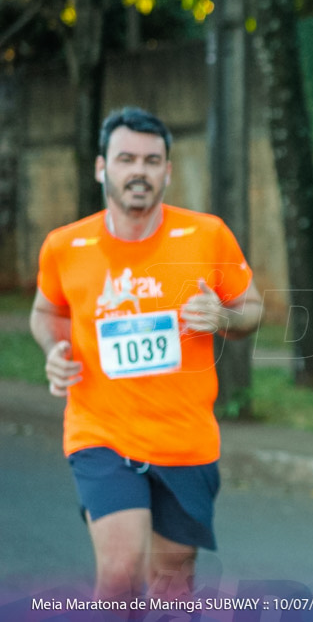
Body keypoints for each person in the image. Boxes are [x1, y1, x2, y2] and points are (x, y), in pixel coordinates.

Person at [30, 107, 263, 602]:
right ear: (102, 168)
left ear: (168, 171)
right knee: (119, 572)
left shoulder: (206, 236)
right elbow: (45, 312)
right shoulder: (65, 246)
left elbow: (252, 308)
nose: (139, 171)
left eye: (152, 160)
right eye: (126, 159)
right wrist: (55, 348)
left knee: (173, 583)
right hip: (100, 431)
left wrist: (223, 318)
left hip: (185, 436)